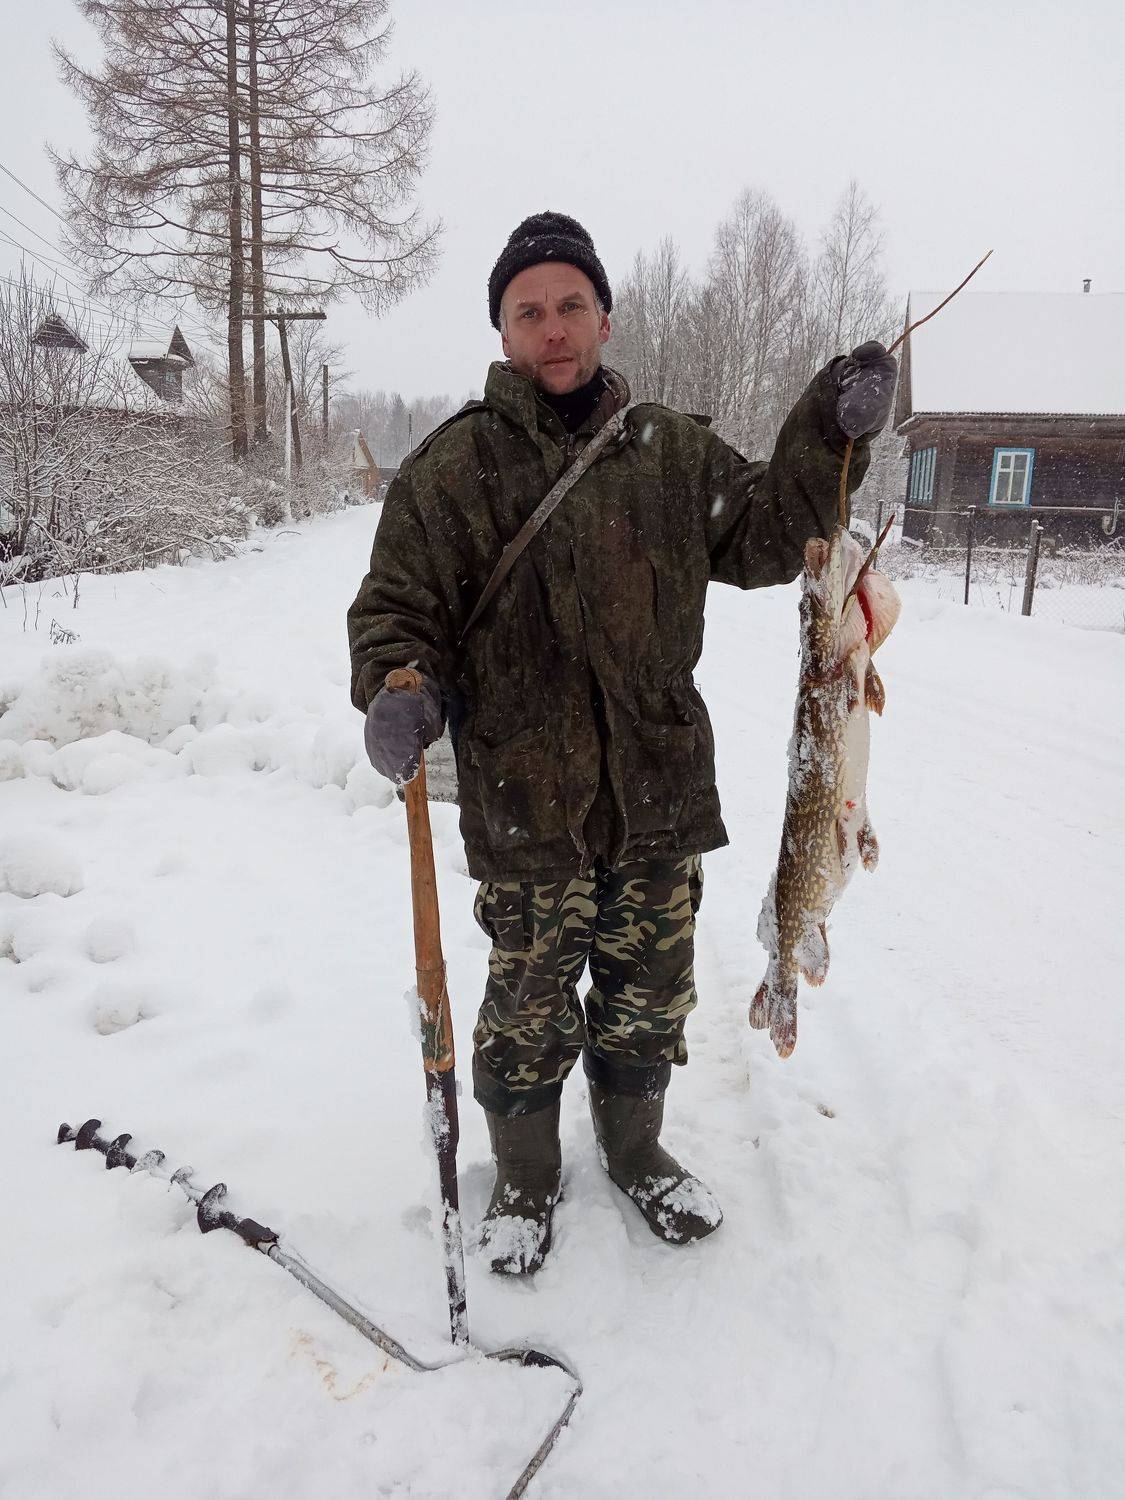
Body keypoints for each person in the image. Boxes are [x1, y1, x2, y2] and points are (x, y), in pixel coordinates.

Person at [347, 211, 896, 1275]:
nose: (552, 329)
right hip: (525, 800)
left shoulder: (670, 453)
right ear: (503, 331)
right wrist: (399, 687)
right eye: (528, 312)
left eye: (570, 305)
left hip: (657, 790)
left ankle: (636, 1151)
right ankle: (524, 1176)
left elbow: (771, 529)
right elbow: (396, 607)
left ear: (603, 315)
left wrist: (831, 430)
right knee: (527, 1005)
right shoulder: (452, 468)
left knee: (650, 992)